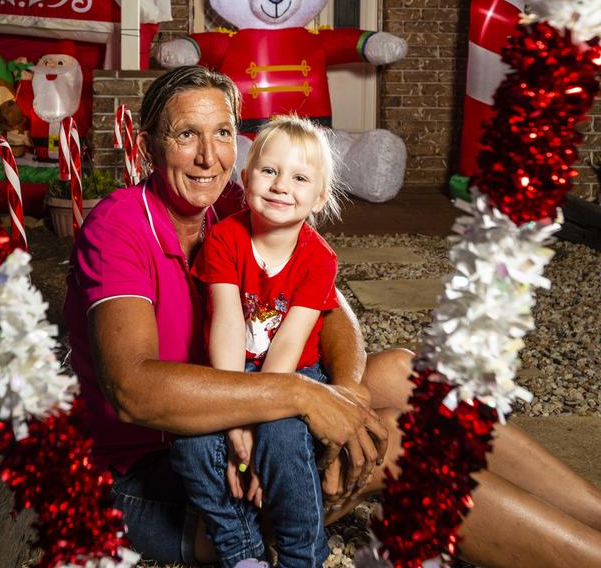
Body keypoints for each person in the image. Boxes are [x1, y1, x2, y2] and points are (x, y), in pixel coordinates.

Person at [64, 66, 601, 568]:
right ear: (147, 143)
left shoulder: (235, 203)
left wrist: (347, 395)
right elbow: (131, 391)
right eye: (186, 136)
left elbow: (331, 309)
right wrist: (304, 396)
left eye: (223, 133)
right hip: (162, 472)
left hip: (249, 407)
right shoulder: (118, 228)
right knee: (397, 444)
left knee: (403, 375)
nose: (208, 156)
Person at [170, 115, 345, 568]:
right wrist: (234, 419)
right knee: (191, 441)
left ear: (320, 196)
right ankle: (241, 549)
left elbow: (288, 346)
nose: (281, 185)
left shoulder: (320, 260)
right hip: (231, 369)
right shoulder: (226, 238)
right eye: (269, 171)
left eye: (300, 177)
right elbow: (226, 323)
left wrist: (258, 433)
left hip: (292, 373)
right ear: (245, 178)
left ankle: (301, 554)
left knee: (282, 438)